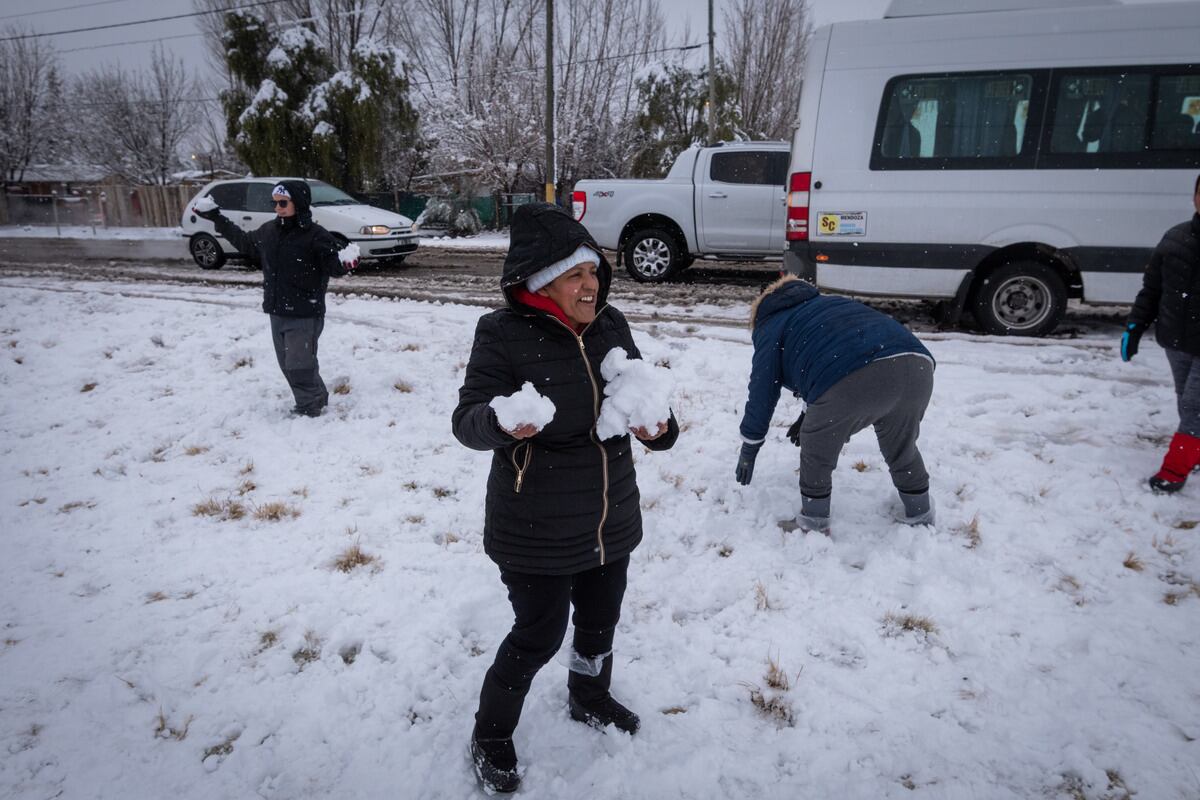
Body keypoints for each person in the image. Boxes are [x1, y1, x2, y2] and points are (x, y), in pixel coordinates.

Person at [451, 202, 679, 794]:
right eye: (577, 274)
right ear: (541, 281)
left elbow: (642, 396)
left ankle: (589, 695)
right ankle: (492, 733)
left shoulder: (611, 324)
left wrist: (660, 427)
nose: (591, 284)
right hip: (536, 527)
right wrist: (501, 423)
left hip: (610, 517)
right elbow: (466, 420)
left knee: (600, 624)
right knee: (538, 635)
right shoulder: (500, 333)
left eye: (595, 272)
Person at [734, 275, 935, 532]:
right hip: (917, 365)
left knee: (816, 445)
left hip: (856, 374)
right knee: (901, 445)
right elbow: (822, 354)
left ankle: (813, 522)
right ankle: (920, 513)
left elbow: (762, 391)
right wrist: (808, 412)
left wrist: (749, 448)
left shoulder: (771, 325)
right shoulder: (828, 304)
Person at [192, 180, 357, 417]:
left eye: (282, 202)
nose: (277, 207)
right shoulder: (270, 231)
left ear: (298, 203)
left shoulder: (316, 235)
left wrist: (345, 265)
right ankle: (317, 398)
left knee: (299, 365)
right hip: (277, 310)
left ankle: (310, 408)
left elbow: (333, 265)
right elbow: (245, 242)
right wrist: (218, 218)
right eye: (274, 203)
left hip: (305, 312)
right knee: (288, 364)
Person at [1120, 173, 1200, 493]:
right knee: (1185, 400)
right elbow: (1152, 290)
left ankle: (1175, 470)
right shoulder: (1175, 238)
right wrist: (1135, 327)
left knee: (1195, 406)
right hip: (1176, 340)